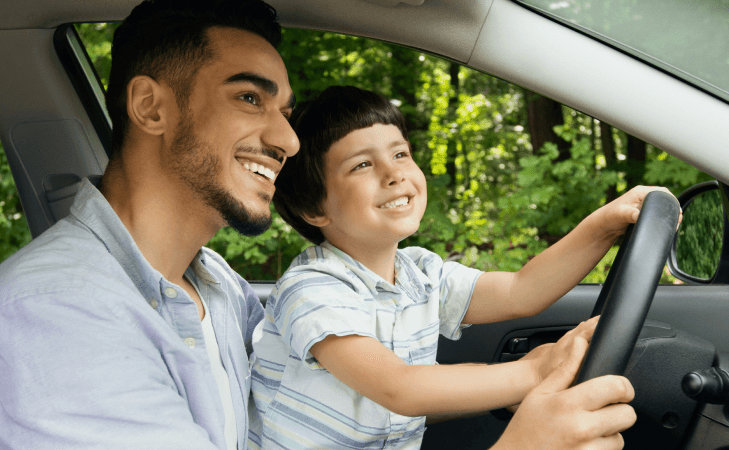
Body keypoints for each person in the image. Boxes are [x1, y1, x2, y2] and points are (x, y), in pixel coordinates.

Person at [0, 1, 636, 449]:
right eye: (250, 98)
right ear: (151, 108)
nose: (288, 140)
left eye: (283, 109)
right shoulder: (57, 318)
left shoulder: (208, 284)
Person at [251, 85, 666, 449]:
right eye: (362, 164)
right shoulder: (311, 289)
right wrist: (534, 369)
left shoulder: (421, 273)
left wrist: (602, 228)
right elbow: (400, 388)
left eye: (400, 154)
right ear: (314, 208)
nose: (394, 173)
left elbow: (522, 290)